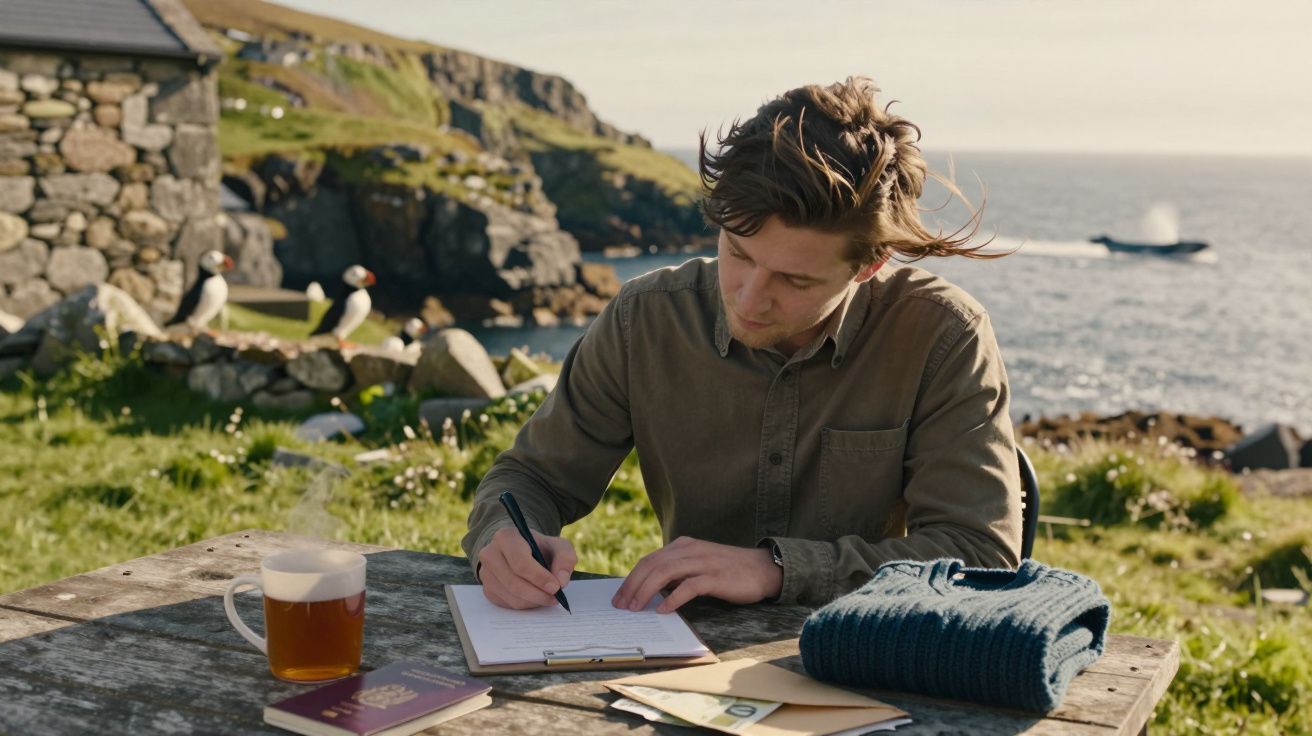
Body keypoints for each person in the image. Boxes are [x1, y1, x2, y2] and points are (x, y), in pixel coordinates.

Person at [462, 76, 1021, 613]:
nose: (751, 300)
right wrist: (507, 536)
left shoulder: (944, 335)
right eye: (740, 253)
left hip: (868, 658)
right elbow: (532, 478)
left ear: (870, 265)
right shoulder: (645, 319)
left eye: (795, 281)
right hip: (676, 661)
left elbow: (980, 557)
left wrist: (776, 569)